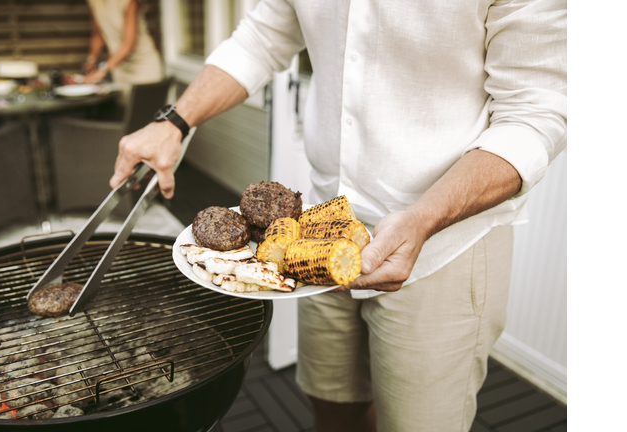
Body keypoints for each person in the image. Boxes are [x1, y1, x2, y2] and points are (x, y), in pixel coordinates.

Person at [109, 1, 567, 431]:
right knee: (333, 406)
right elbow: (260, 39)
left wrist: (424, 217)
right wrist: (174, 122)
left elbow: (535, 113)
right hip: (317, 229)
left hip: (443, 246)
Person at [83, 0, 163, 101]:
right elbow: (98, 34)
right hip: (120, 67)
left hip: (144, 65)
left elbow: (129, 44)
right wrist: (92, 59)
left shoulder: (130, 2)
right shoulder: (93, 2)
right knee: (125, 109)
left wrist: (103, 70)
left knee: (146, 111)